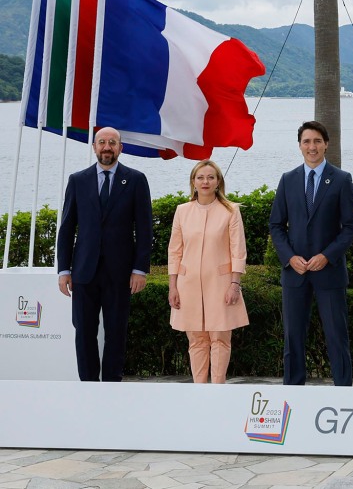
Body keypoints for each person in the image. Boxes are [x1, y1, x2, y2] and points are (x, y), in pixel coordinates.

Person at [56, 127, 153, 382]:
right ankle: (88, 385)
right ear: (94, 147)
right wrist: (64, 270)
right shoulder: (77, 180)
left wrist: (140, 269)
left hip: (120, 273)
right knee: (84, 331)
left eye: (112, 142)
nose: (107, 147)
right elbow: (67, 227)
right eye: (102, 142)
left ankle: (112, 385)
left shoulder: (136, 180)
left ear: (121, 148)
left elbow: (145, 229)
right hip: (84, 272)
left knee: (116, 331)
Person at [270, 120, 353, 386]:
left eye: (317, 141)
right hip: (295, 274)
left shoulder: (342, 180)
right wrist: (289, 257)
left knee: (336, 337)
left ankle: (343, 392)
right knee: (293, 339)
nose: (312, 146)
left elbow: (351, 227)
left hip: (329, 273)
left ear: (326, 144)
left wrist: (327, 256)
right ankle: (293, 393)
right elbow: (276, 225)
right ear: (299, 146)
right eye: (307, 141)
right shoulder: (288, 180)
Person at [167, 160, 249, 384]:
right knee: (196, 341)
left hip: (221, 285)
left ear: (218, 182)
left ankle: (218, 388)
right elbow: (174, 251)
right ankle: (199, 390)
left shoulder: (230, 211)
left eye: (210, 177)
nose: (205, 181)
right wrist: (173, 286)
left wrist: (235, 284)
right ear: (193, 182)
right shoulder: (182, 211)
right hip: (188, 285)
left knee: (220, 339)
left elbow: (238, 250)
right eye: (200, 177)